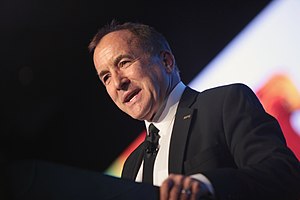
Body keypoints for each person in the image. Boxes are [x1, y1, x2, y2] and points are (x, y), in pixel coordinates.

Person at [88, 20, 300, 200]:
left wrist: (207, 184)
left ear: (166, 61)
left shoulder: (224, 104)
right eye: (106, 77)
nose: (117, 82)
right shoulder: (131, 165)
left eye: (124, 62)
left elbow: (283, 173)